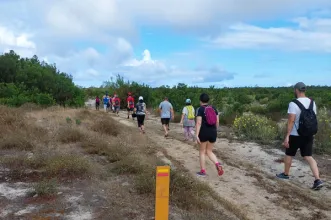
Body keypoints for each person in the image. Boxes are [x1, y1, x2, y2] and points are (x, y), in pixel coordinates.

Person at [276, 82, 324, 190]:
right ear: (304, 90)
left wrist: (287, 136)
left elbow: (291, 121)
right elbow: (313, 119)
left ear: (296, 90)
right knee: (308, 156)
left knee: (289, 154)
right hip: (308, 134)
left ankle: (286, 174)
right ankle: (317, 179)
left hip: (295, 134)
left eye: (294, 90)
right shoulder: (312, 102)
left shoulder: (293, 103)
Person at [195, 93, 223, 177]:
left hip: (204, 132)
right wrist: (215, 130)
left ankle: (203, 171)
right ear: (208, 100)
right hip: (213, 132)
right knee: (209, 151)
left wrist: (196, 135)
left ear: (200, 100)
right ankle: (217, 164)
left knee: (202, 152)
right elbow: (217, 121)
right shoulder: (213, 108)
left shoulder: (199, 109)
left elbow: (199, 123)